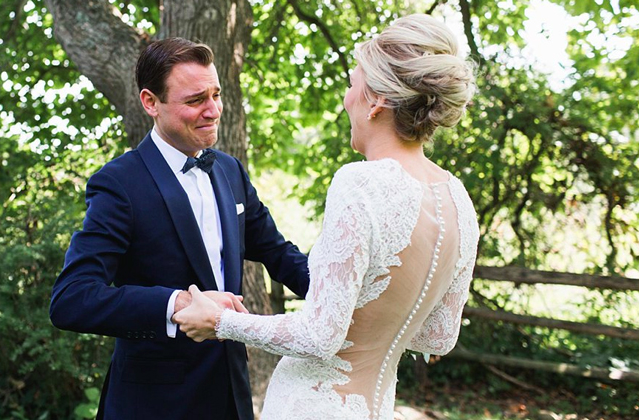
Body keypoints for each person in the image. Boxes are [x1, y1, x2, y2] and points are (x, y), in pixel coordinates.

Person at [174, 14, 479, 420]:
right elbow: (438, 336)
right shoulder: (457, 198)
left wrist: (221, 321)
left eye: (352, 85)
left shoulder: (362, 182)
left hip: (311, 406)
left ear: (377, 101)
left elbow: (319, 336)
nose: (346, 98)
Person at [49, 37, 310, 420]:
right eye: (195, 100)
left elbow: (278, 253)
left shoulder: (229, 170)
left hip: (232, 397)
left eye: (216, 94)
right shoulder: (119, 184)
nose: (214, 110)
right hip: (155, 405)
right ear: (150, 102)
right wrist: (176, 306)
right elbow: (71, 299)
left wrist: (353, 304)